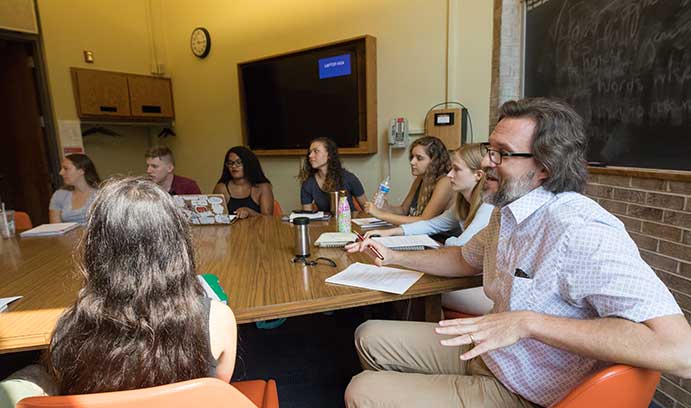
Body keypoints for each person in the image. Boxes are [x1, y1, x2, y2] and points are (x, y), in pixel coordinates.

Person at [345, 98, 691, 407]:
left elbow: (680, 350)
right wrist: (393, 256)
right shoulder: (507, 211)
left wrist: (528, 323)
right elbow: (463, 258)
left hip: (525, 389)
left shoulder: (580, 231)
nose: (486, 163)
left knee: (361, 391)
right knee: (368, 335)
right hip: (495, 355)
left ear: (544, 168)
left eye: (502, 154)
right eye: (488, 149)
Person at [47, 177, 237, 395]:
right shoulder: (218, 319)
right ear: (177, 241)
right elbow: (219, 391)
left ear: (96, 247)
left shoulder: (70, 327)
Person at [365, 143, 495, 314]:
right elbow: (431, 224)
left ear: (478, 175)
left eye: (456, 170)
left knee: (415, 288)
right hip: (468, 278)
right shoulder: (462, 203)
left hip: (483, 290)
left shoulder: (488, 207)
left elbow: (459, 249)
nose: (449, 175)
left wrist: (448, 241)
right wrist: (389, 232)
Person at [364, 136, 453, 225]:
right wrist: (386, 207)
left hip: (439, 238)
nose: (412, 162)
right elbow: (403, 210)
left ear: (434, 161)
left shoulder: (444, 182)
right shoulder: (420, 179)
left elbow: (425, 221)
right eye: (412, 157)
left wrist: (381, 215)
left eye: (419, 158)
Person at [298, 137, 367, 212]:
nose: (310, 155)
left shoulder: (349, 178)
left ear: (329, 155)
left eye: (316, 151)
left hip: (349, 222)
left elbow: (367, 209)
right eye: (310, 152)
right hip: (325, 223)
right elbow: (307, 215)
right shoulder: (308, 183)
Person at [213, 146, 274, 218]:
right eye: (230, 163)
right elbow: (215, 218)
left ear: (249, 164)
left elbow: (268, 219)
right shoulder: (221, 188)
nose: (234, 166)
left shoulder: (263, 187)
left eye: (239, 162)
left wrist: (250, 212)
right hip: (230, 229)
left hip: (258, 229)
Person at [48, 154, 100, 225]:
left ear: (81, 171)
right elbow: (55, 228)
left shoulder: (101, 195)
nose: (61, 173)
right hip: (66, 236)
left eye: (66, 169)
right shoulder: (59, 195)